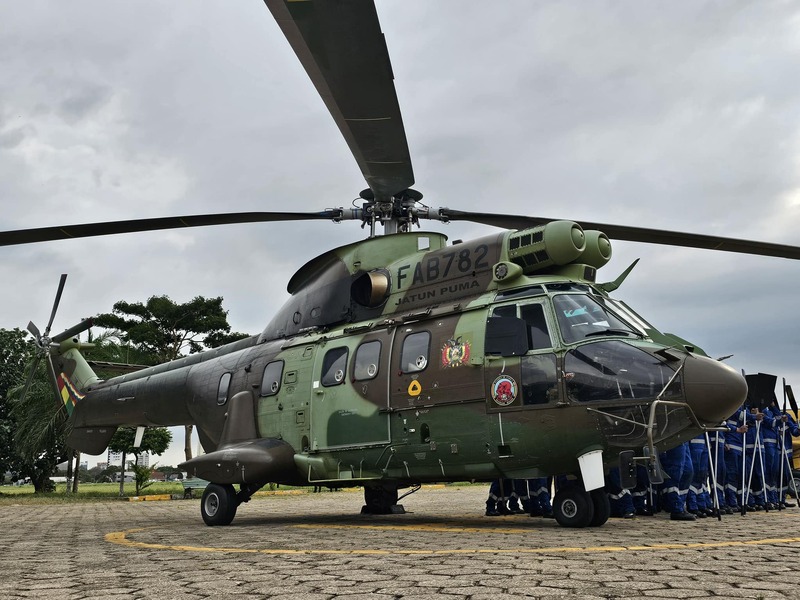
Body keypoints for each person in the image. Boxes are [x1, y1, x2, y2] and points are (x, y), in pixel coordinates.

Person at [659, 441, 695, 521]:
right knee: (675, 470)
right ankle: (676, 507)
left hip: (685, 438)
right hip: (674, 438)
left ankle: (681, 505)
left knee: (688, 471)